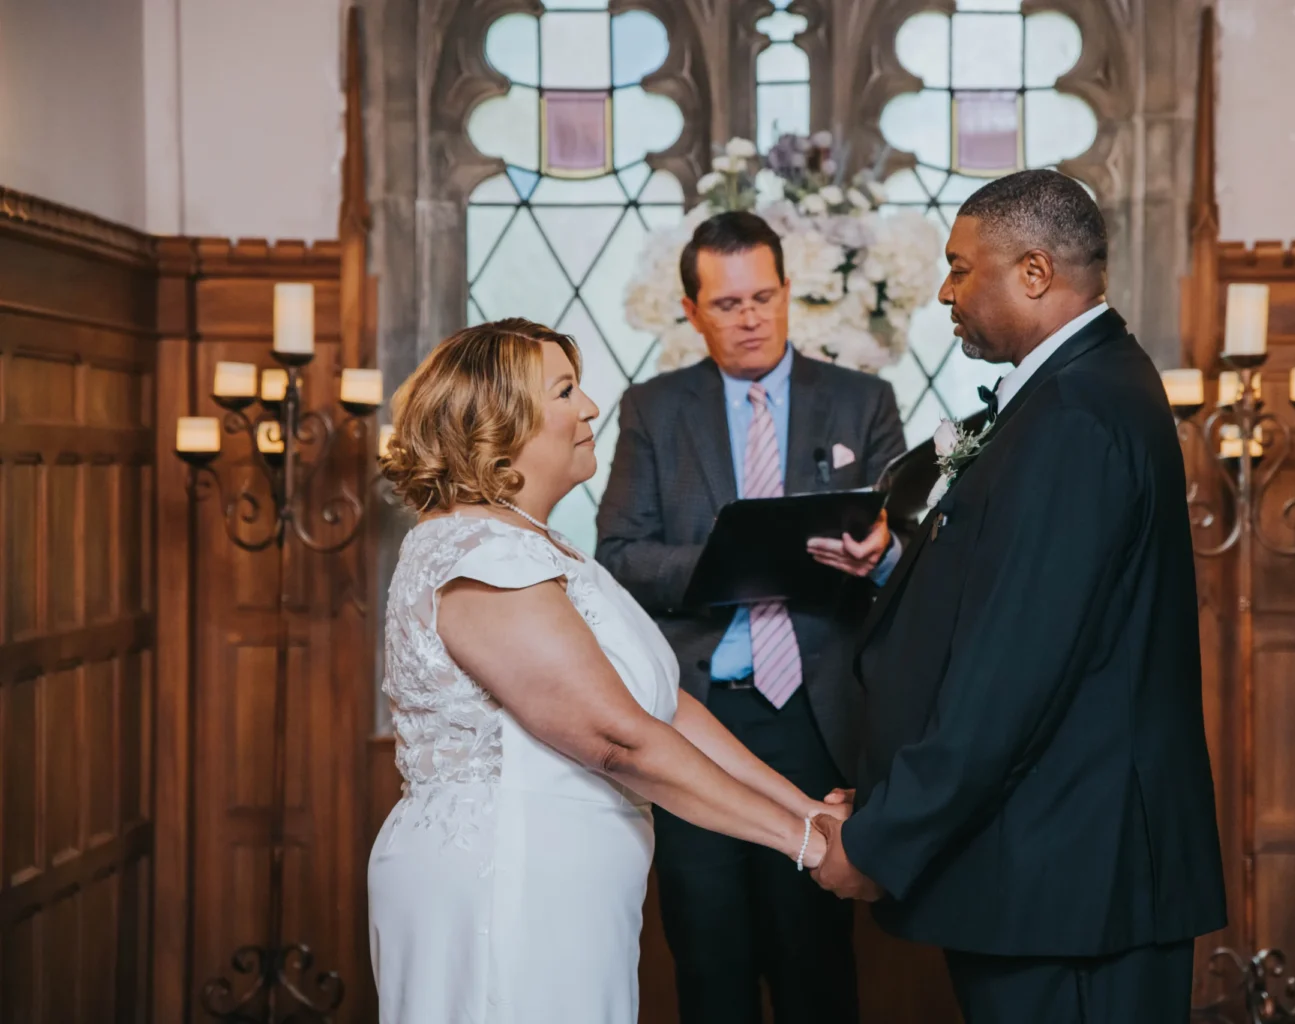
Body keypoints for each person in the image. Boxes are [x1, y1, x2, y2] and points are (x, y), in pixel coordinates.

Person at [810, 170, 1227, 1022]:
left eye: (963, 269)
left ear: (1034, 273)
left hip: (1071, 882)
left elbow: (1011, 675)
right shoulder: (1077, 388)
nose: (945, 290)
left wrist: (883, 842)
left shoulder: (1075, 412)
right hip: (1053, 869)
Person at [367, 318, 848, 1024]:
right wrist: (802, 846)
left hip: (569, 886)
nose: (591, 407)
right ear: (498, 424)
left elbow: (669, 709)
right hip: (506, 881)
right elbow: (614, 738)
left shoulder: (544, 549)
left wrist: (805, 809)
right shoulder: (477, 553)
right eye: (565, 390)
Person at [596, 211, 909, 1023]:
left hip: (819, 715)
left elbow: (906, 543)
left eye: (764, 297)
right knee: (709, 955)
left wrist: (883, 553)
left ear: (788, 292)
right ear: (692, 311)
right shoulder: (652, 409)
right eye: (728, 304)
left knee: (817, 961)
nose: (751, 318)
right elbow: (619, 554)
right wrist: (727, 563)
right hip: (698, 715)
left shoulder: (862, 401)